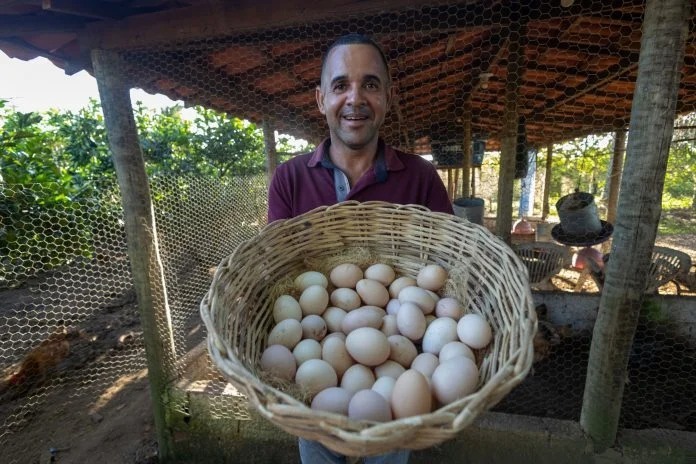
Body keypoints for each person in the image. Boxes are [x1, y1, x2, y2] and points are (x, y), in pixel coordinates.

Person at [267, 33, 453, 464]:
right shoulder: (289, 180)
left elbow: (443, 270)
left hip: (396, 403)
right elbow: (278, 271)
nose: (355, 98)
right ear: (320, 99)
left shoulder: (421, 177)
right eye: (340, 85)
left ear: (388, 97)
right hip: (315, 399)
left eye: (370, 84)